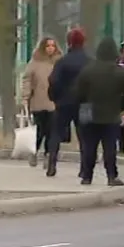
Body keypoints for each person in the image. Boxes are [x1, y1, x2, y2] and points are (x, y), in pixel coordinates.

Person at [72, 37, 124, 187]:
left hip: (89, 113)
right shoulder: (121, 73)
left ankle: (87, 176)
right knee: (110, 147)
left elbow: (78, 93)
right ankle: (112, 176)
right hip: (111, 113)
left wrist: (85, 104)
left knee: (89, 146)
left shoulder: (87, 71)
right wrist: (120, 106)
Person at [44, 27, 91, 177]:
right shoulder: (90, 62)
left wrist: (55, 97)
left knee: (56, 133)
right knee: (85, 137)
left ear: (69, 42)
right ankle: (84, 169)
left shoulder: (62, 62)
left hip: (64, 102)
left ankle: (52, 165)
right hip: (84, 103)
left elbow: (53, 80)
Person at [21, 36, 60, 167]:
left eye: (53, 46)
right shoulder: (35, 62)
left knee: (51, 130)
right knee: (39, 130)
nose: (50, 49)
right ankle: (34, 151)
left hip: (53, 102)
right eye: (48, 46)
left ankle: (48, 155)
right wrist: (25, 96)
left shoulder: (58, 62)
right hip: (38, 101)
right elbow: (27, 79)